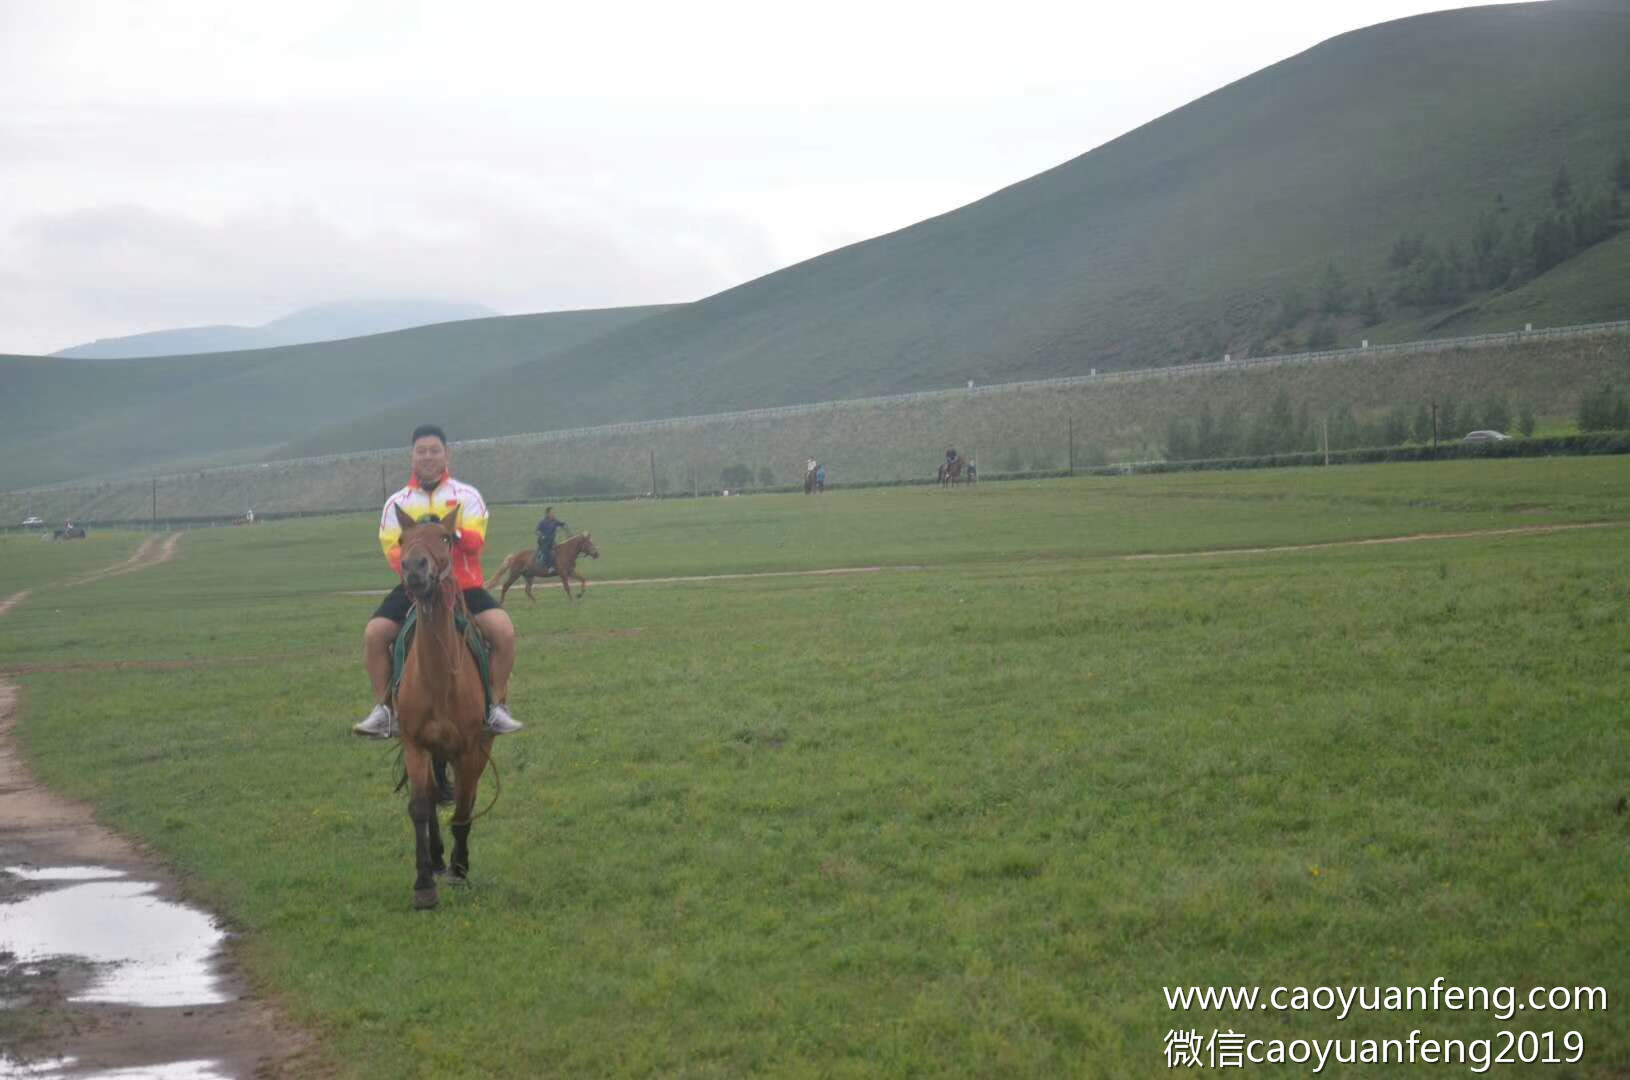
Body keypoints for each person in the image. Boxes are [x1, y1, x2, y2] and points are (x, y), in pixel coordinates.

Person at [352, 424, 521, 738]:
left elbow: (475, 541)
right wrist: (415, 577)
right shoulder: (397, 504)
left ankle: (496, 706)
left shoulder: (466, 496)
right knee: (375, 634)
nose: (427, 456)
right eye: (421, 451)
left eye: (434, 450)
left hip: (464, 586)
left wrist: (449, 532)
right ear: (412, 457)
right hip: (414, 587)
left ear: (446, 455)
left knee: (504, 632)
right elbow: (393, 549)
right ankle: (385, 710)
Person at [534, 506, 572, 575]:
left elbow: (562, 524)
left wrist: (565, 526)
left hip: (551, 542)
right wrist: (542, 535)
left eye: (553, 513)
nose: (553, 514)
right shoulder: (542, 522)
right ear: (547, 514)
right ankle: (549, 568)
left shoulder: (554, 521)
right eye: (552, 513)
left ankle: (561, 566)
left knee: (559, 551)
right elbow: (536, 531)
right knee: (547, 553)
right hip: (543, 542)